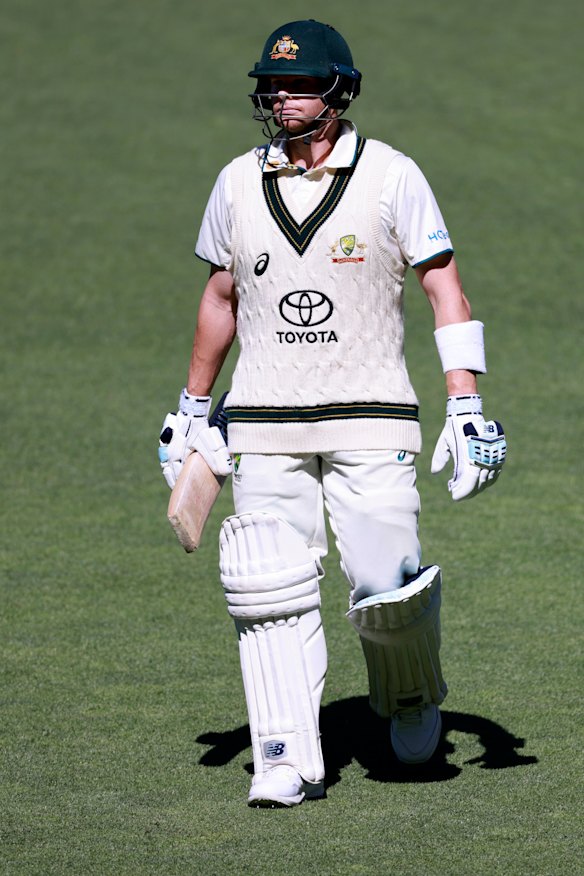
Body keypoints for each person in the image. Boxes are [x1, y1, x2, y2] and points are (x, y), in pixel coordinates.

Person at [158, 19, 507, 808]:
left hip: (372, 414)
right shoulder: (235, 183)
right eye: (272, 85)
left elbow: (445, 287)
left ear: (338, 90)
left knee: (389, 585)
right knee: (269, 585)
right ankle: (285, 755)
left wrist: (467, 400)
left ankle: (412, 699)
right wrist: (191, 407)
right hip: (266, 420)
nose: (280, 97)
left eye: (298, 84)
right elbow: (220, 298)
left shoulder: (390, 176)